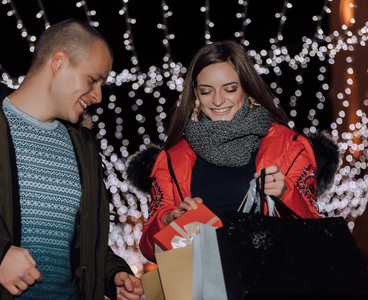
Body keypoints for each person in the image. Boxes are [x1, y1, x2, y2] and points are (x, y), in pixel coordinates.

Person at [0, 19, 143, 299]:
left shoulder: (83, 147)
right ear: (59, 62)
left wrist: (112, 274)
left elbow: (77, 240)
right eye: (92, 79)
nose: (98, 96)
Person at [126, 40, 338, 262]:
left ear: (247, 89)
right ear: (196, 96)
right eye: (206, 91)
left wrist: (287, 194)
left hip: (271, 283)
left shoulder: (291, 147)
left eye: (230, 89)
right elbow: (150, 250)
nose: (218, 100)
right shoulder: (170, 160)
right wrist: (168, 220)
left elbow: (315, 233)